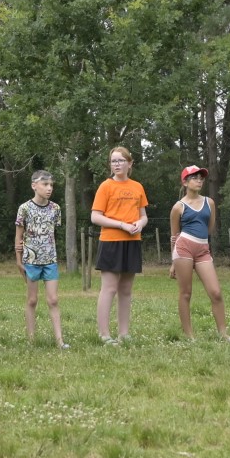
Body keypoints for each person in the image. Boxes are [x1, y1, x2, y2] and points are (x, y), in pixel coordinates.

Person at [168, 165, 230, 342]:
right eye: (194, 178)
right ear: (185, 182)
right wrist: (173, 262)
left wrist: (201, 245)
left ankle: (223, 334)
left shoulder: (209, 202)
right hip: (183, 248)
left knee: (216, 293)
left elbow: (209, 228)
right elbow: (174, 236)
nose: (199, 181)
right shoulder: (178, 207)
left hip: (202, 250)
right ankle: (189, 336)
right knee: (186, 293)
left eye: (201, 178)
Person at [89, 145, 148, 344]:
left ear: (130, 164)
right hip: (111, 242)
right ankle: (104, 334)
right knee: (109, 288)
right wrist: (121, 224)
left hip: (132, 241)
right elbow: (95, 217)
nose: (117, 164)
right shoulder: (105, 186)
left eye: (121, 160)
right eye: (114, 161)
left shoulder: (137, 187)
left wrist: (140, 223)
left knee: (126, 289)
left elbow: (143, 216)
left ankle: (124, 333)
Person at [15, 169, 68, 349]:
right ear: (34, 186)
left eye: (51, 185)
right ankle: (31, 340)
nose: (49, 188)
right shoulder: (24, 208)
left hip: (50, 261)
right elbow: (19, 236)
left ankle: (59, 340)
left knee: (53, 300)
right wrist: (18, 260)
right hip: (30, 261)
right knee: (32, 300)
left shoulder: (55, 209)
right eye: (45, 184)